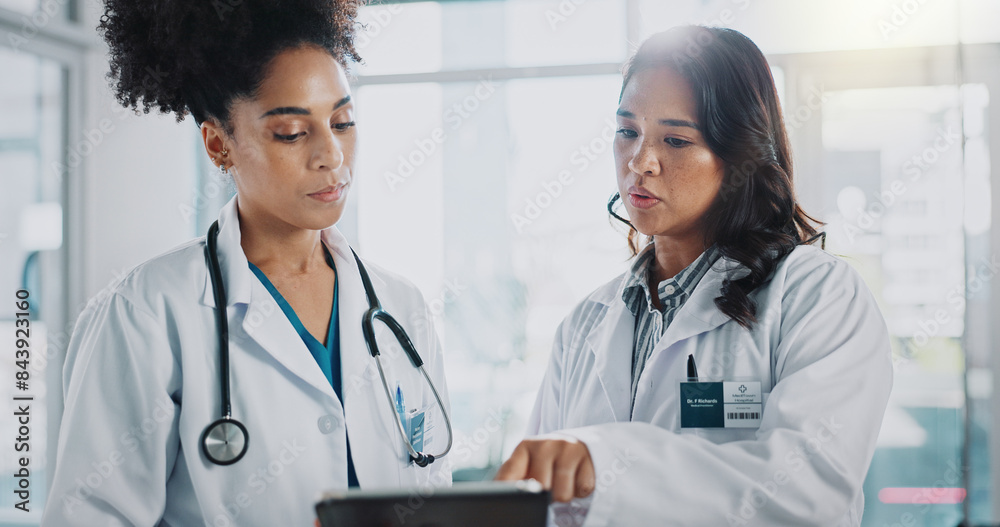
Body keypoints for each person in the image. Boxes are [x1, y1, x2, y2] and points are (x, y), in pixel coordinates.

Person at [42, 1, 451, 525]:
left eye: (343, 121)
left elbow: (433, 490)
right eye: (292, 133)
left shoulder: (401, 306)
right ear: (218, 145)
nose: (332, 154)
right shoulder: (145, 313)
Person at [496, 26, 892, 526]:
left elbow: (807, 492)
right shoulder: (583, 326)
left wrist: (606, 463)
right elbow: (543, 504)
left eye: (676, 140)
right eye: (627, 131)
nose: (640, 162)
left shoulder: (818, 297)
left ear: (740, 157)